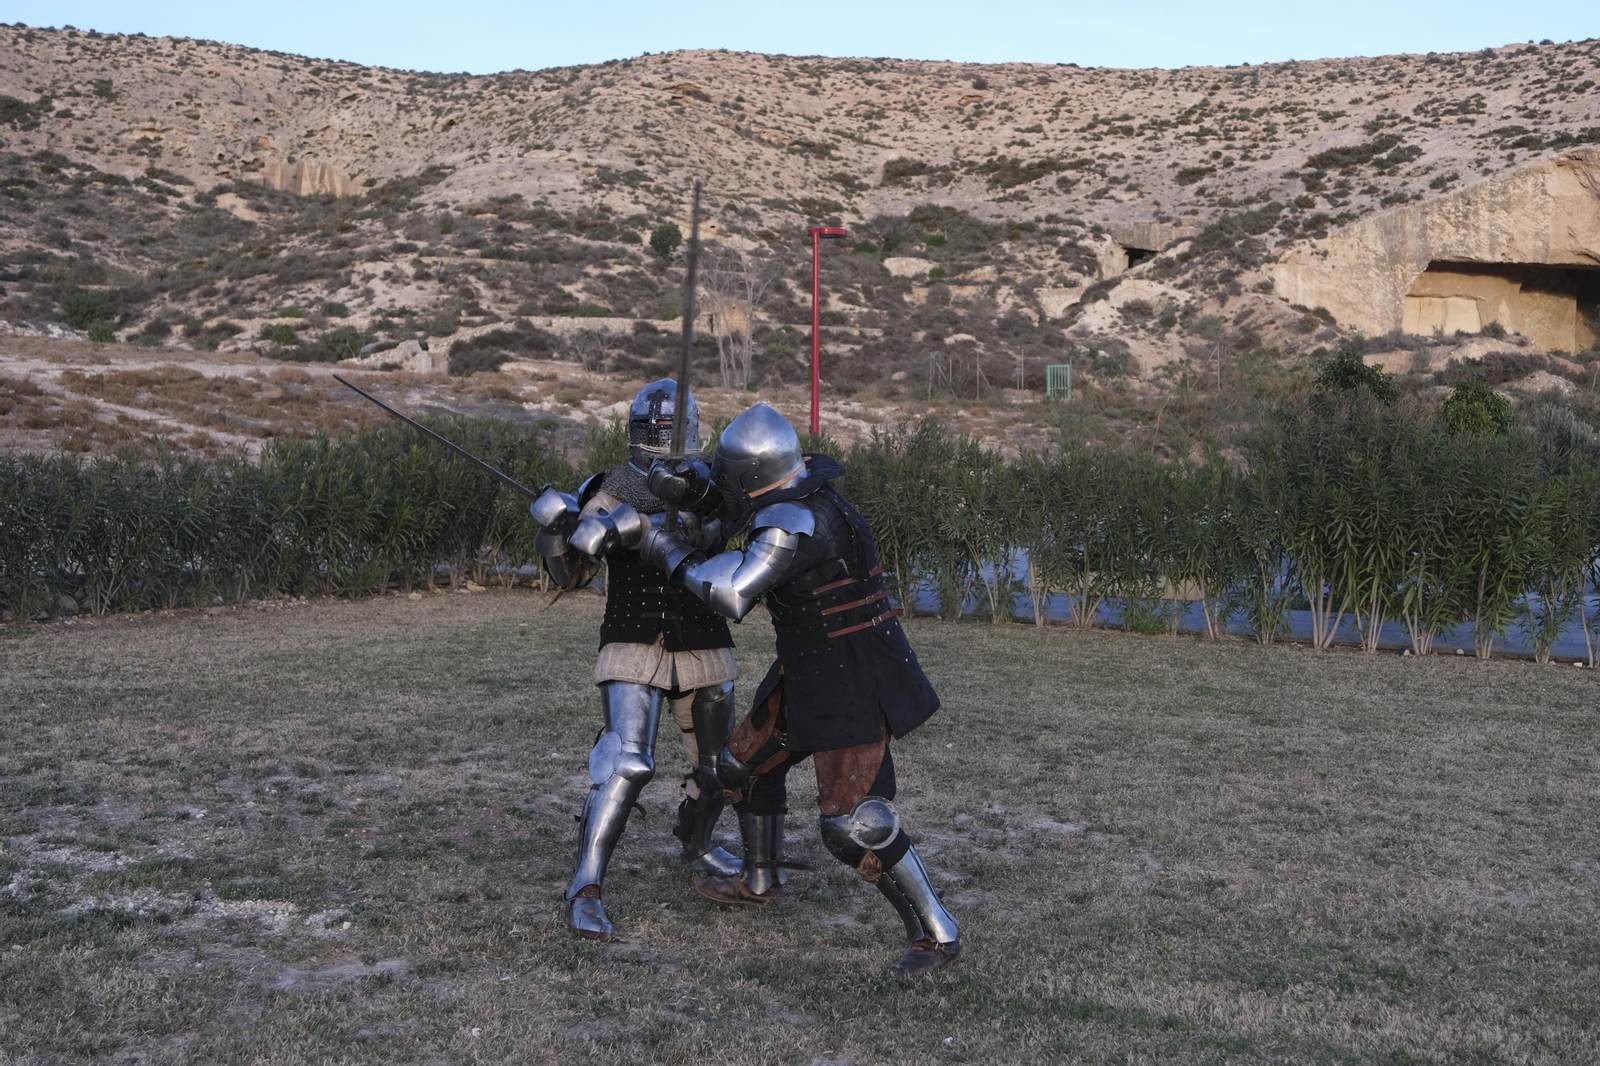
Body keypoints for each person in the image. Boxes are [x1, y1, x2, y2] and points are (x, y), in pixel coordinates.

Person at [574, 402, 960, 976]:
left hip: (850, 676)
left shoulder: (794, 523)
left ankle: (937, 931)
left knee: (852, 825)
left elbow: (730, 594)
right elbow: (725, 504)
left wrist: (661, 545)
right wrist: (682, 489)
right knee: (740, 769)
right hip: (807, 665)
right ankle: (760, 880)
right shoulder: (798, 491)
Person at [527, 379, 741, 941]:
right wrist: (556, 533)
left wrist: (659, 513)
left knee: (721, 769)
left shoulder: (711, 487)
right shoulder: (604, 489)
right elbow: (570, 577)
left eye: (669, 430)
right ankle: (585, 884)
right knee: (627, 762)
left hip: (703, 637)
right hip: (632, 640)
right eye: (651, 429)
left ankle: (695, 846)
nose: (660, 438)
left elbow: (711, 533)